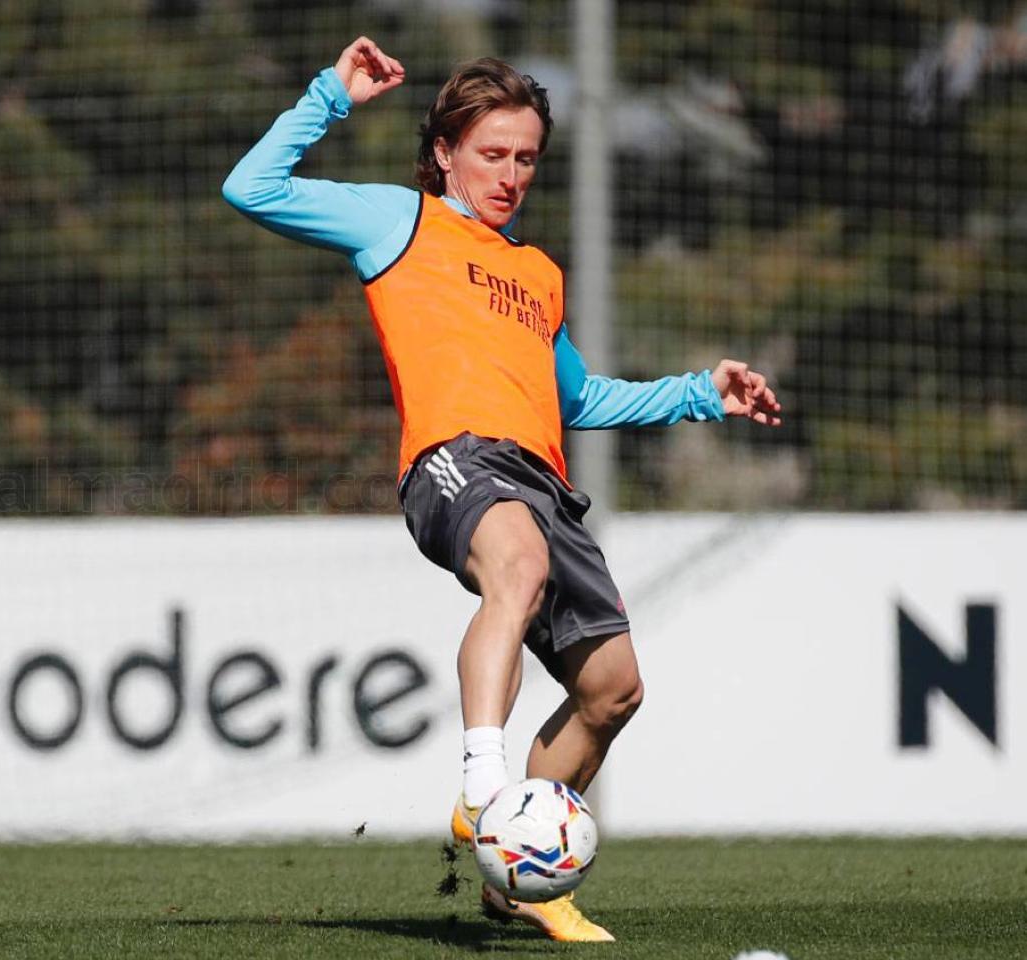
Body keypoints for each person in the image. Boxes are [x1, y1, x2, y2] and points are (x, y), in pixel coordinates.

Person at [223, 37, 781, 942]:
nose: (511, 174)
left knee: (614, 688)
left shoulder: (539, 275)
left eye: (526, 158)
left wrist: (698, 393)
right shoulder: (396, 222)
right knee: (514, 568)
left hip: (542, 481)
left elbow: (582, 398)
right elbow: (250, 187)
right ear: (445, 151)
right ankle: (486, 787)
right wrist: (332, 95)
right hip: (454, 460)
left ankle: (514, 878)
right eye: (492, 154)